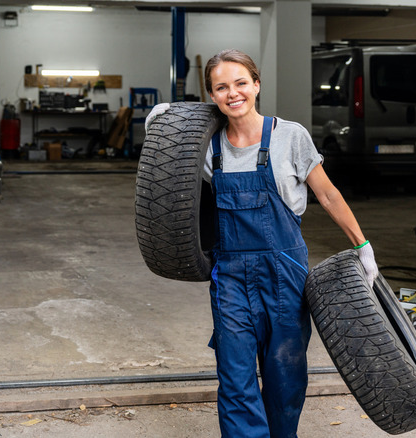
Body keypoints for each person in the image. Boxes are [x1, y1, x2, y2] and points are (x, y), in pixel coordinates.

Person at [147, 49, 378, 438]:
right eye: (221, 87)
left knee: (284, 374)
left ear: (256, 85)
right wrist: (165, 125)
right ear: (212, 95)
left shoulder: (290, 136)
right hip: (231, 277)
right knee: (235, 377)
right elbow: (167, 173)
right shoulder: (205, 147)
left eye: (240, 83)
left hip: (284, 273)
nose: (232, 93)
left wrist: (362, 246)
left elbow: (329, 195)